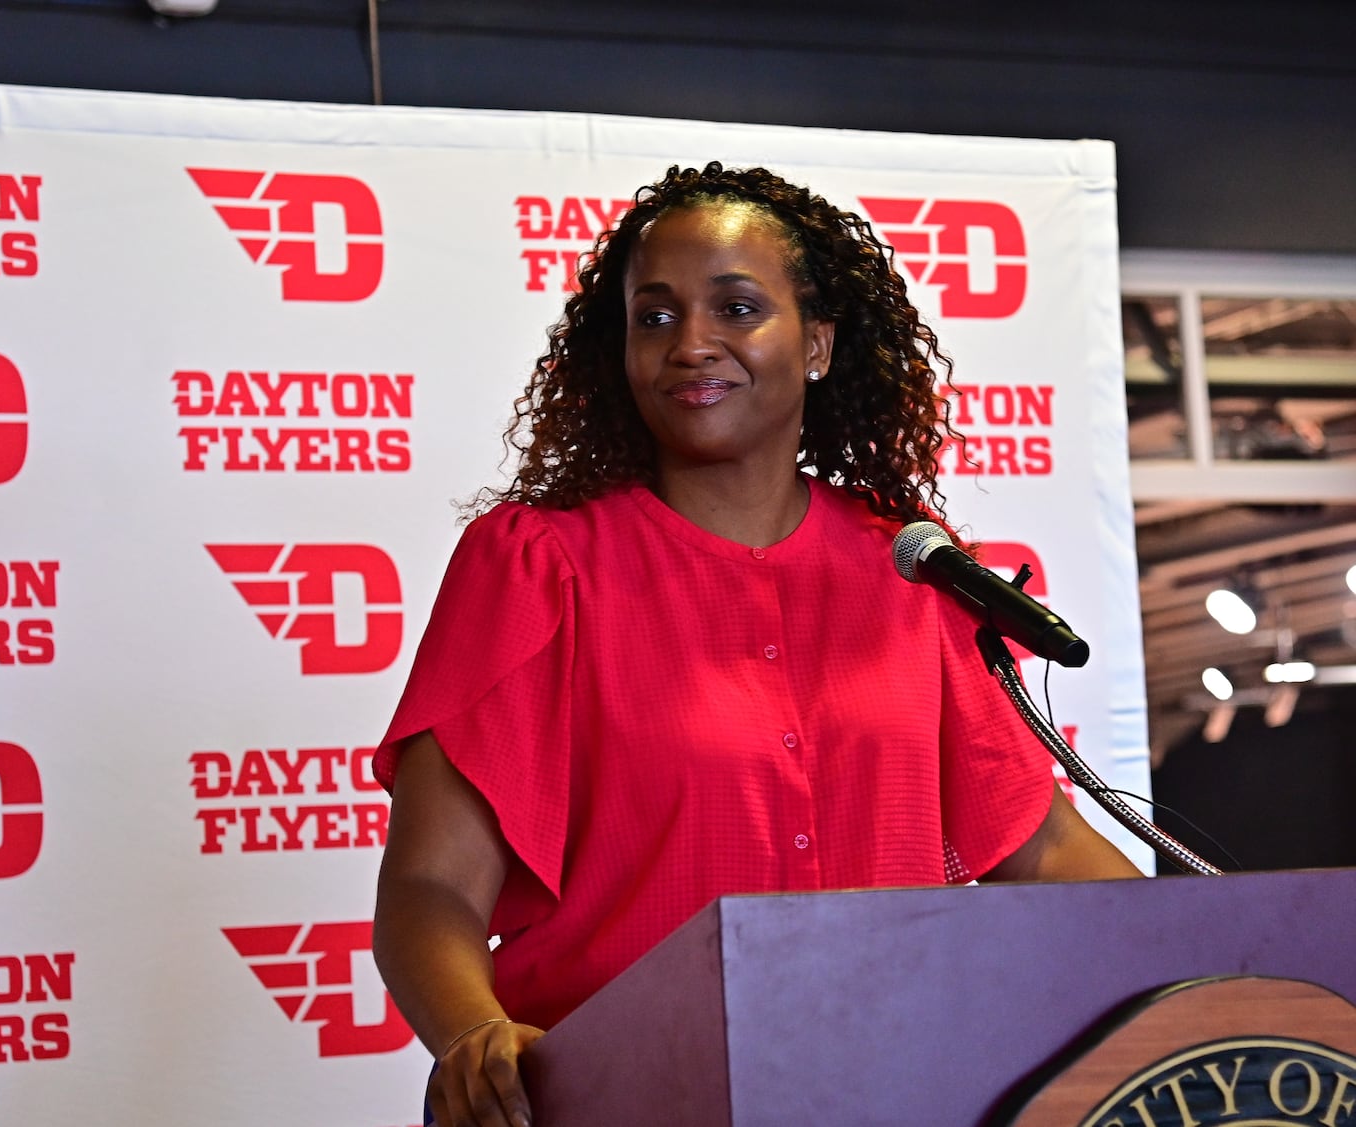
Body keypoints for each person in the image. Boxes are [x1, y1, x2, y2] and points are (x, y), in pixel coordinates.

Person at [371, 162, 1140, 1127]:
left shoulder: (910, 569)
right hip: (621, 1096)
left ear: (817, 344)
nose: (692, 344)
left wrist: (1221, 963)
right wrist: (471, 1032)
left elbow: (1042, 850)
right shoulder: (539, 567)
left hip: (894, 1091)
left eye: (737, 308)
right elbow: (431, 887)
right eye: (654, 318)